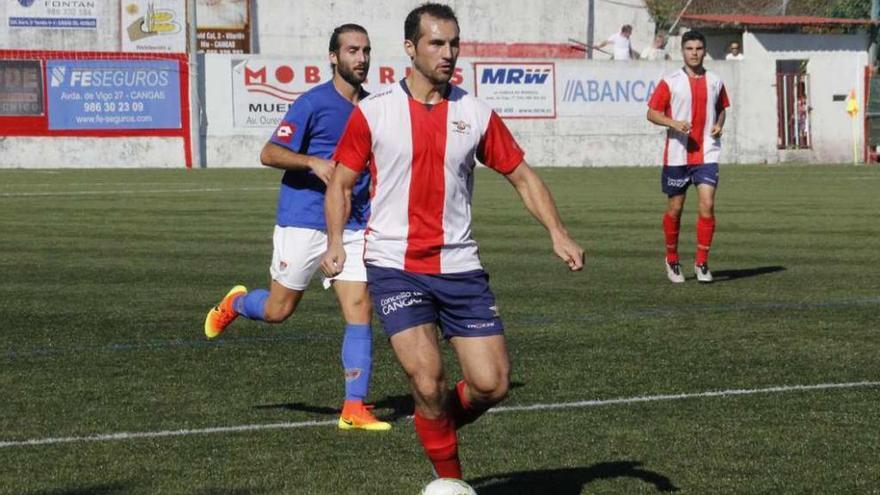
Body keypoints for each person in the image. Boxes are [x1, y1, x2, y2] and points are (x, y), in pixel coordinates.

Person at [321, 2, 585, 479]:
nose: (449, 53)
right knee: (427, 378)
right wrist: (336, 241)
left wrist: (558, 232)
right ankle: (451, 480)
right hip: (395, 265)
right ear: (410, 48)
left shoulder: (476, 113)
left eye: (454, 43)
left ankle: (435, 422)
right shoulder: (374, 113)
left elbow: (522, 176)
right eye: (437, 43)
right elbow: (340, 183)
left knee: (492, 384)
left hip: (460, 267)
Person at [203, 24, 391, 432]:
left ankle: (353, 408)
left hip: (351, 223)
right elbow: (268, 153)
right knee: (278, 310)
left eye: (366, 51)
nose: (361, 59)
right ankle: (235, 303)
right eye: (353, 51)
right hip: (303, 220)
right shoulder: (312, 103)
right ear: (334, 57)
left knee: (360, 308)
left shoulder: (374, 108)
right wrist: (312, 162)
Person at [646, 30, 730, 284]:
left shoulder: (715, 81)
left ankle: (702, 263)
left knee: (707, 205)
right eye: (690, 49)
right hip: (677, 155)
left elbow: (722, 109)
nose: (694, 53)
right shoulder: (670, 81)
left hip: (706, 153)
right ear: (682, 51)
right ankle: (672, 259)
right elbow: (651, 113)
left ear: (705, 51)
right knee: (675, 209)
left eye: (699, 49)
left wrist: (718, 124)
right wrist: (672, 122)